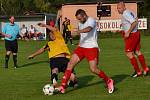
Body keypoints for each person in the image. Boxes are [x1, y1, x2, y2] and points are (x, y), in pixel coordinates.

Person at [57, 9, 114, 94]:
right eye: (78, 19)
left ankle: (108, 80)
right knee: (70, 64)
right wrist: (79, 44)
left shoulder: (91, 20)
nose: (79, 21)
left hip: (91, 48)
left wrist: (78, 31)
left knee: (93, 69)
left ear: (84, 15)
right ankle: (62, 86)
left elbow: (89, 29)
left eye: (80, 19)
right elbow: (82, 35)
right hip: (81, 47)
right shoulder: (80, 23)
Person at [28, 23, 78, 88]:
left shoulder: (59, 38)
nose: (51, 35)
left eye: (52, 33)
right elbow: (42, 50)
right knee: (55, 70)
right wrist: (33, 55)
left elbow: (54, 29)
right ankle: (54, 83)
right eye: (50, 34)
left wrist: (45, 25)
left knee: (73, 78)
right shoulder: (49, 43)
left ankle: (71, 82)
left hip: (64, 60)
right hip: (54, 60)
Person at [117, 2, 149, 77]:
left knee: (129, 53)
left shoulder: (125, 13)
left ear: (124, 7)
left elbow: (134, 22)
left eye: (120, 8)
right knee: (137, 51)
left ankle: (138, 72)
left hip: (132, 35)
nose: (118, 9)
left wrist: (128, 32)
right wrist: (124, 26)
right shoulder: (130, 11)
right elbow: (136, 19)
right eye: (117, 8)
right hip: (136, 33)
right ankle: (145, 68)